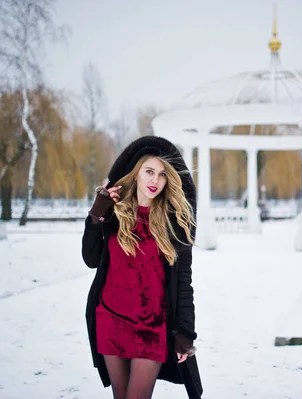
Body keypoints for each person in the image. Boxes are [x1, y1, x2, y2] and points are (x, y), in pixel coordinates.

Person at [81, 136, 203, 399]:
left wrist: (185, 332)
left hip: (152, 327)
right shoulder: (114, 214)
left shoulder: (176, 224)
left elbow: (184, 281)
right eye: (149, 171)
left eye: (162, 174)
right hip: (110, 319)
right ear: (136, 174)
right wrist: (96, 215)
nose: (155, 180)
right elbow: (90, 259)